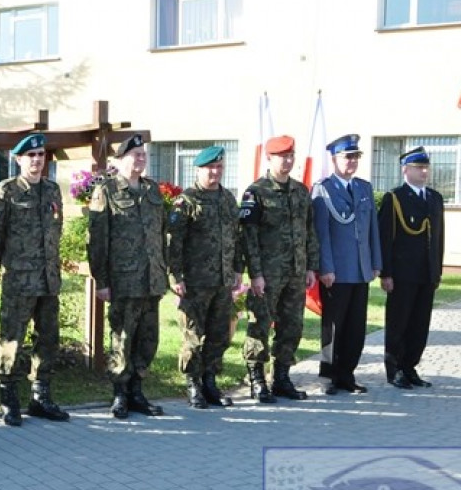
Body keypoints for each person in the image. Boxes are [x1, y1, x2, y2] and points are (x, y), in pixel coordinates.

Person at [0, 133, 70, 426]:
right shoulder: (6, 191)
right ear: (18, 159)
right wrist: (10, 263)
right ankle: (9, 396)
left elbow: (56, 231)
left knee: (48, 338)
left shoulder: (52, 190)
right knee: (12, 338)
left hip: (48, 279)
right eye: (30, 155)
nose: (36, 160)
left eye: (41, 155)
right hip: (19, 279)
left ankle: (40, 396)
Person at [87, 133, 166, 419]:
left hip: (151, 279)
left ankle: (137, 391)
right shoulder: (106, 190)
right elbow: (97, 241)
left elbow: (160, 235)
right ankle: (120, 393)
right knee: (122, 337)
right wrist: (102, 281)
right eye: (136, 155)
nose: (141, 159)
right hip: (123, 280)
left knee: (148, 338)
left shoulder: (152, 190)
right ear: (120, 160)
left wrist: (163, 270)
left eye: (144, 155)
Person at [239, 134, 319, 403]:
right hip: (268, 274)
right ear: (269, 158)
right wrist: (256, 274)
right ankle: (257, 379)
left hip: (296, 272)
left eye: (290, 156)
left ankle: (282, 378)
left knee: (292, 326)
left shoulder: (300, 191)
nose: (287, 161)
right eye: (282, 156)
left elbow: (309, 231)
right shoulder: (256, 192)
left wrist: (311, 267)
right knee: (260, 325)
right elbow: (248, 237)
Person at [167, 145, 243, 409]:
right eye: (210, 167)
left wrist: (237, 269)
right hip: (195, 282)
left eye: (219, 167)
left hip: (222, 281)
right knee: (193, 336)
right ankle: (193, 384)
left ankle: (210, 382)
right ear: (198, 170)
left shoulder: (228, 199)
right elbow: (174, 243)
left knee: (218, 335)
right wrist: (176, 277)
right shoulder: (186, 201)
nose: (215, 172)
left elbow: (236, 238)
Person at [311, 134, 381, 395]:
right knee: (334, 326)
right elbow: (322, 233)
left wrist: (375, 262)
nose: (352, 161)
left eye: (355, 157)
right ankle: (329, 376)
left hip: (361, 269)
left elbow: (372, 229)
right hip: (336, 271)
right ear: (334, 159)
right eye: (347, 157)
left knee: (356, 327)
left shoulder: (364, 188)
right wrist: (325, 267)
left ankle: (347, 374)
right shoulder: (323, 189)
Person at [378, 146, 445, 389]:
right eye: (419, 167)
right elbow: (385, 238)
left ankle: (410, 367)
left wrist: (437, 270)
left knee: (419, 324)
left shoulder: (435, 198)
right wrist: (386, 273)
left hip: (427, 273)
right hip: (402, 274)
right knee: (399, 323)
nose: (424, 172)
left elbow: (439, 238)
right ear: (405, 170)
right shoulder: (395, 198)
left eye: (426, 167)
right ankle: (394, 369)